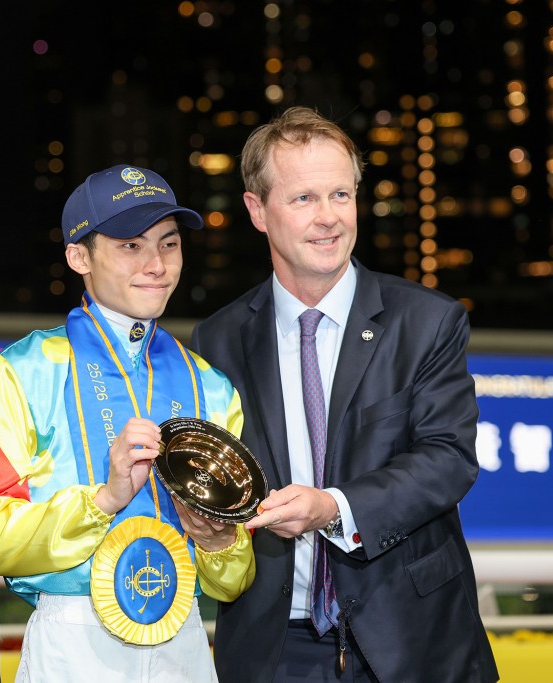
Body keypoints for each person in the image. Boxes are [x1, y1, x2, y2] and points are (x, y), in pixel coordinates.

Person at [191, 106, 499, 682]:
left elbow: (448, 458)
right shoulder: (219, 339)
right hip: (273, 650)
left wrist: (333, 507)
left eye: (340, 194)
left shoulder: (427, 321)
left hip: (415, 642)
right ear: (257, 211)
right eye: (303, 198)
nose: (328, 218)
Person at [0, 164, 255, 681]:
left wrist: (216, 541)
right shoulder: (22, 369)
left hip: (184, 642)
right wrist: (105, 500)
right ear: (79, 257)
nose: (156, 264)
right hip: (70, 641)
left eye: (168, 244)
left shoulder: (213, 387)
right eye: (130, 245)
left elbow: (233, 580)